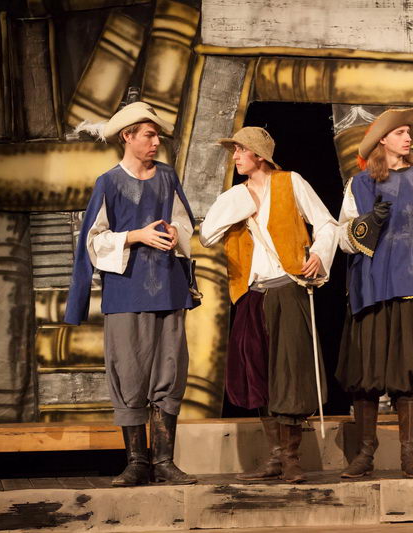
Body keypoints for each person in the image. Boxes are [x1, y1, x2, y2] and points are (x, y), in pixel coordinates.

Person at [64, 101, 199, 486]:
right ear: (128, 136)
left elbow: (184, 223)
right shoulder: (109, 182)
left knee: (170, 371)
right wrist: (135, 236)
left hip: (168, 288)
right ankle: (137, 461)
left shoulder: (167, 176)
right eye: (149, 135)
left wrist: (174, 232)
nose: (156, 142)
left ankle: (164, 461)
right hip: (126, 292)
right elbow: (92, 241)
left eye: (157, 136)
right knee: (129, 371)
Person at [199, 126, 337, 483]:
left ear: (259, 155)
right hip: (250, 294)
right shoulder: (234, 196)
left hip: (287, 289)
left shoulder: (291, 182)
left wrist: (319, 254)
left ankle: (291, 458)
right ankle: (275, 456)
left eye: (240, 150)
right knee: (257, 373)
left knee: (289, 373)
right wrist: (239, 205)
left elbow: (327, 223)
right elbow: (207, 235)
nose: (235, 156)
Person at [336, 108, 413, 479]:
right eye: (400, 133)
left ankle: (410, 454)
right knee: (366, 375)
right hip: (372, 287)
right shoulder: (360, 184)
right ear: (382, 140)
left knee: (410, 373)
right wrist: (367, 223)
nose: (408, 138)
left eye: (409, 133)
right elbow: (343, 239)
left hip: (409, 284)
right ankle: (365, 453)